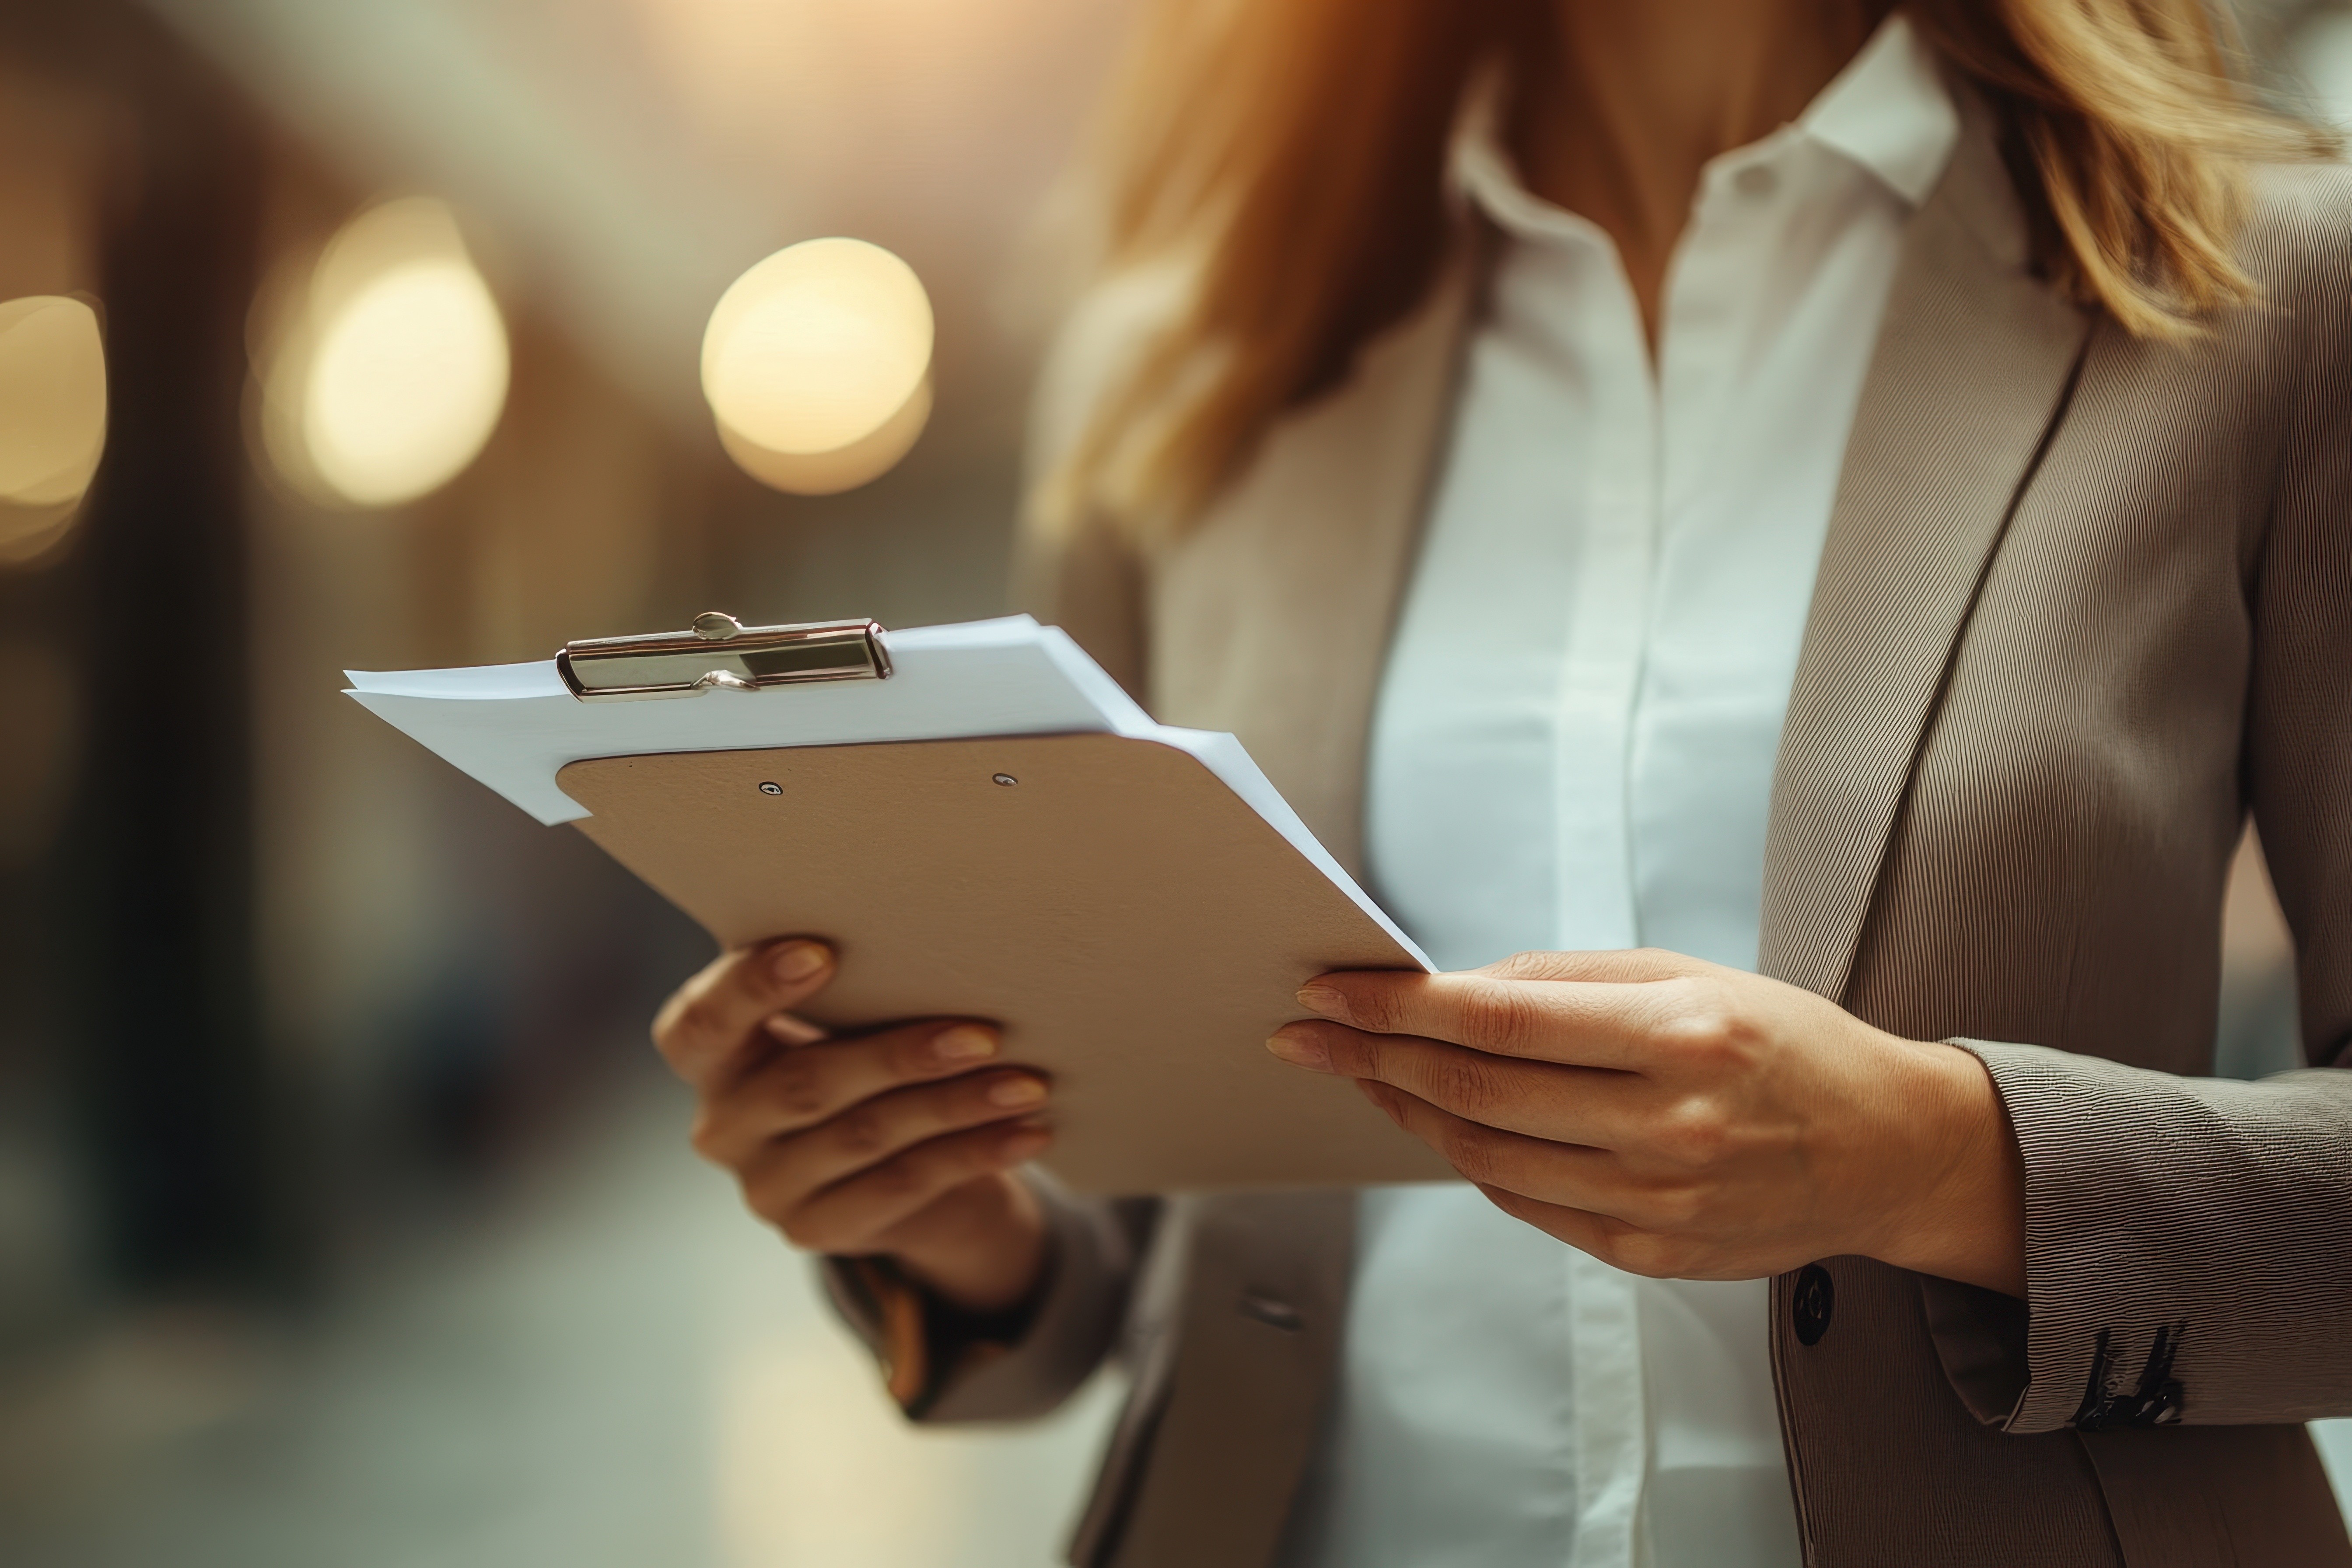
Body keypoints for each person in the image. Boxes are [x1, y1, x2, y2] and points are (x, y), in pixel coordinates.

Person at [650, 0, 2352, 1561]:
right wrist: (946, 1207)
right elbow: (1126, 1265)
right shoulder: (1192, 364)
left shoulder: (2265, 288)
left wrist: (1928, 1157)